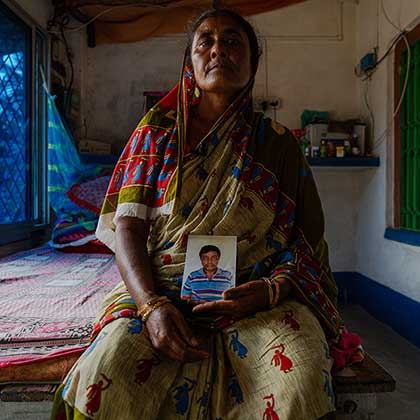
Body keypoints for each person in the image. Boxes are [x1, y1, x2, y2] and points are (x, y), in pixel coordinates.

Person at [51, 8, 343, 420]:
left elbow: (306, 244)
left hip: (259, 300)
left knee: (300, 379)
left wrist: (270, 290)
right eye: (205, 41)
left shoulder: (279, 147)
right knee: (105, 374)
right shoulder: (157, 132)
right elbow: (128, 227)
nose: (218, 49)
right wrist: (151, 307)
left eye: (232, 41)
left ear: (253, 63)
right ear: (190, 63)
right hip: (160, 291)